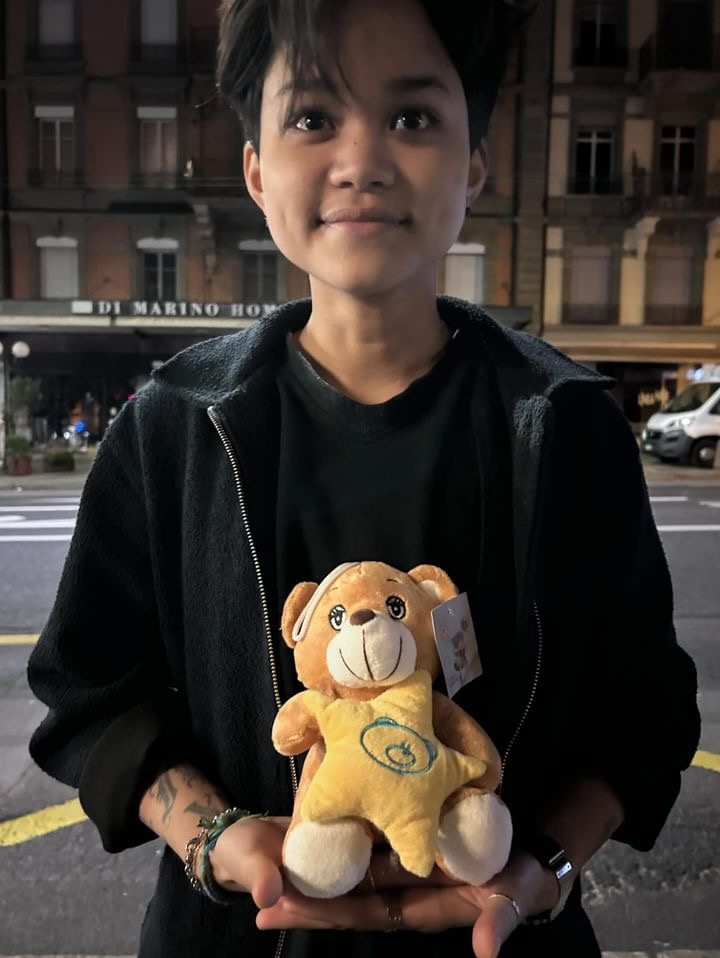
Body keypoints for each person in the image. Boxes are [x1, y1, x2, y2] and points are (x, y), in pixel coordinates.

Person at [26, 1, 701, 956]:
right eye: (312, 117)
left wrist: (540, 869)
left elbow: (644, 710)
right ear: (255, 168)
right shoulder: (172, 426)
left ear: (475, 163)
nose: (362, 160)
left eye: (413, 117)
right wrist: (216, 839)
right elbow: (89, 688)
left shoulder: (571, 424)